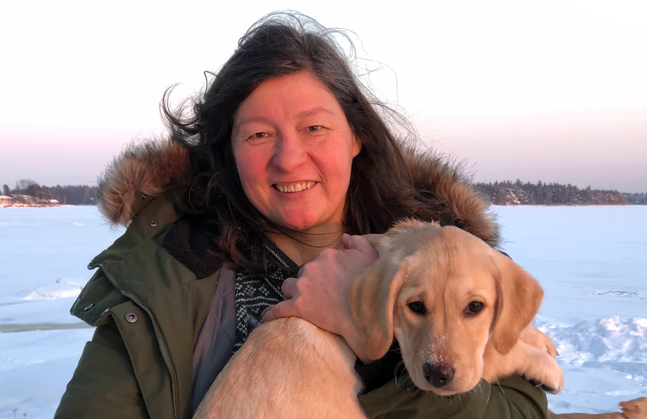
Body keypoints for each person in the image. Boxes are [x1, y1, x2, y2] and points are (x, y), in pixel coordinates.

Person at [55, 11, 550, 419]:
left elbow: (526, 413)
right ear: (227, 150)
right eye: (258, 134)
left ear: (358, 137)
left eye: (314, 127)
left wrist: (370, 340)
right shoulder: (167, 278)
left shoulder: (451, 261)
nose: (289, 159)